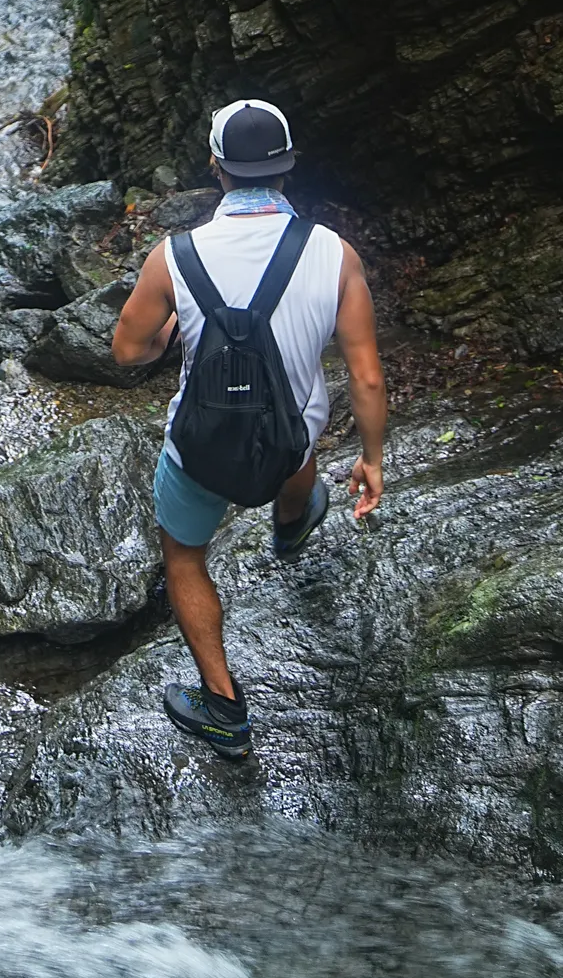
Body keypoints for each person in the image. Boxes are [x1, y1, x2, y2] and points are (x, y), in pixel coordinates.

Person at [109, 96, 387, 761]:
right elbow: (367, 375)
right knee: (300, 431)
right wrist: (373, 458)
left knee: (183, 556)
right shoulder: (333, 254)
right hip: (290, 442)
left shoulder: (174, 257)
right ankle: (291, 524)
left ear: (216, 167)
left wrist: (171, 335)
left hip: (201, 450)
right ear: (288, 168)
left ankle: (224, 708)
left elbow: (127, 352)